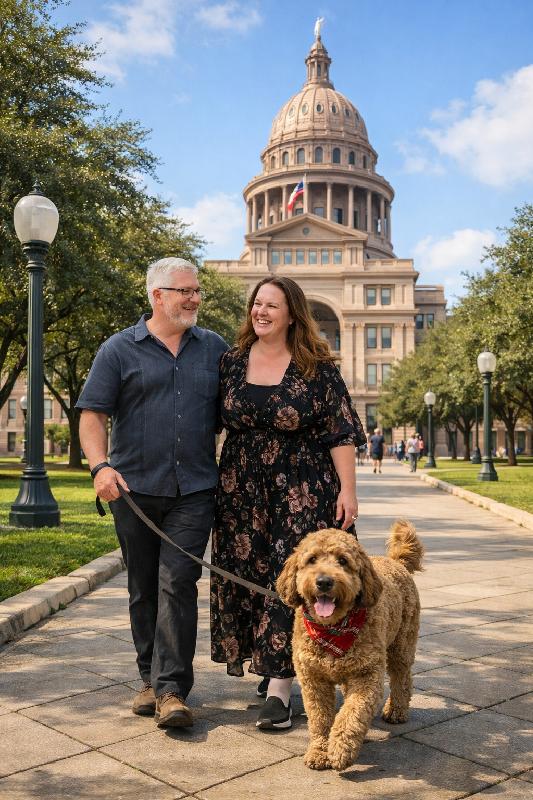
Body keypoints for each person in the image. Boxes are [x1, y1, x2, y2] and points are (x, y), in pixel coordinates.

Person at [77, 257, 228, 729]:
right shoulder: (118, 350)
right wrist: (100, 465)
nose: (195, 298)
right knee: (143, 587)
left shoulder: (215, 349)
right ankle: (148, 679)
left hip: (196, 489)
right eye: (186, 291)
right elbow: (93, 415)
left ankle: (171, 691)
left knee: (177, 582)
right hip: (134, 489)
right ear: (157, 296)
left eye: (197, 290)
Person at [210, 276, 366, 731]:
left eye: (272, 305)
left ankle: (280, 687)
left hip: (302, 486)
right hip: (241, 490)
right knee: (250, 574)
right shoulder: (231, 362)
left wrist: (348, 490)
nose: (261, 311)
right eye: (256, 303)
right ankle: (269, 659)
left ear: (292, 314)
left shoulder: (316, 366)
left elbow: (340, 432)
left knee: (291, 577)